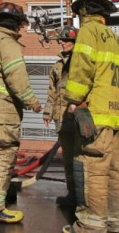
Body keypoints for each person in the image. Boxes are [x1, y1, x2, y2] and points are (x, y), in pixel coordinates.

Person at [63, 0, 119, 233]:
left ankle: (90, 225)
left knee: (91, 171)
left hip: (94, 115)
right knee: (113, 171)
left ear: (83, 12)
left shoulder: (88, 32)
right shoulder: (114, 37)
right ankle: (115, 221)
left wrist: (73, 100)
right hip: (113, 117)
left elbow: (82, 69)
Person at [0, 2, 42, 224]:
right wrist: (32, 102)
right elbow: (16, 78)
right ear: (14, 24)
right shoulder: (7, 43)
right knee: (2, 154)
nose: (21, 30)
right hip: (0, 108)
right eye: (20, 26)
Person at [43, 25, 78, 207]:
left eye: (66, 40)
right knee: (68, 159)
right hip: (62, 119)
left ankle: (82, 196)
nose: (62, 42)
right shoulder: (57, 66)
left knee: (80, 159)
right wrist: (48, 112)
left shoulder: (81, 62)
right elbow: (52, 92)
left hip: (77, 118)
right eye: (61, 40)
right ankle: (72, 194)